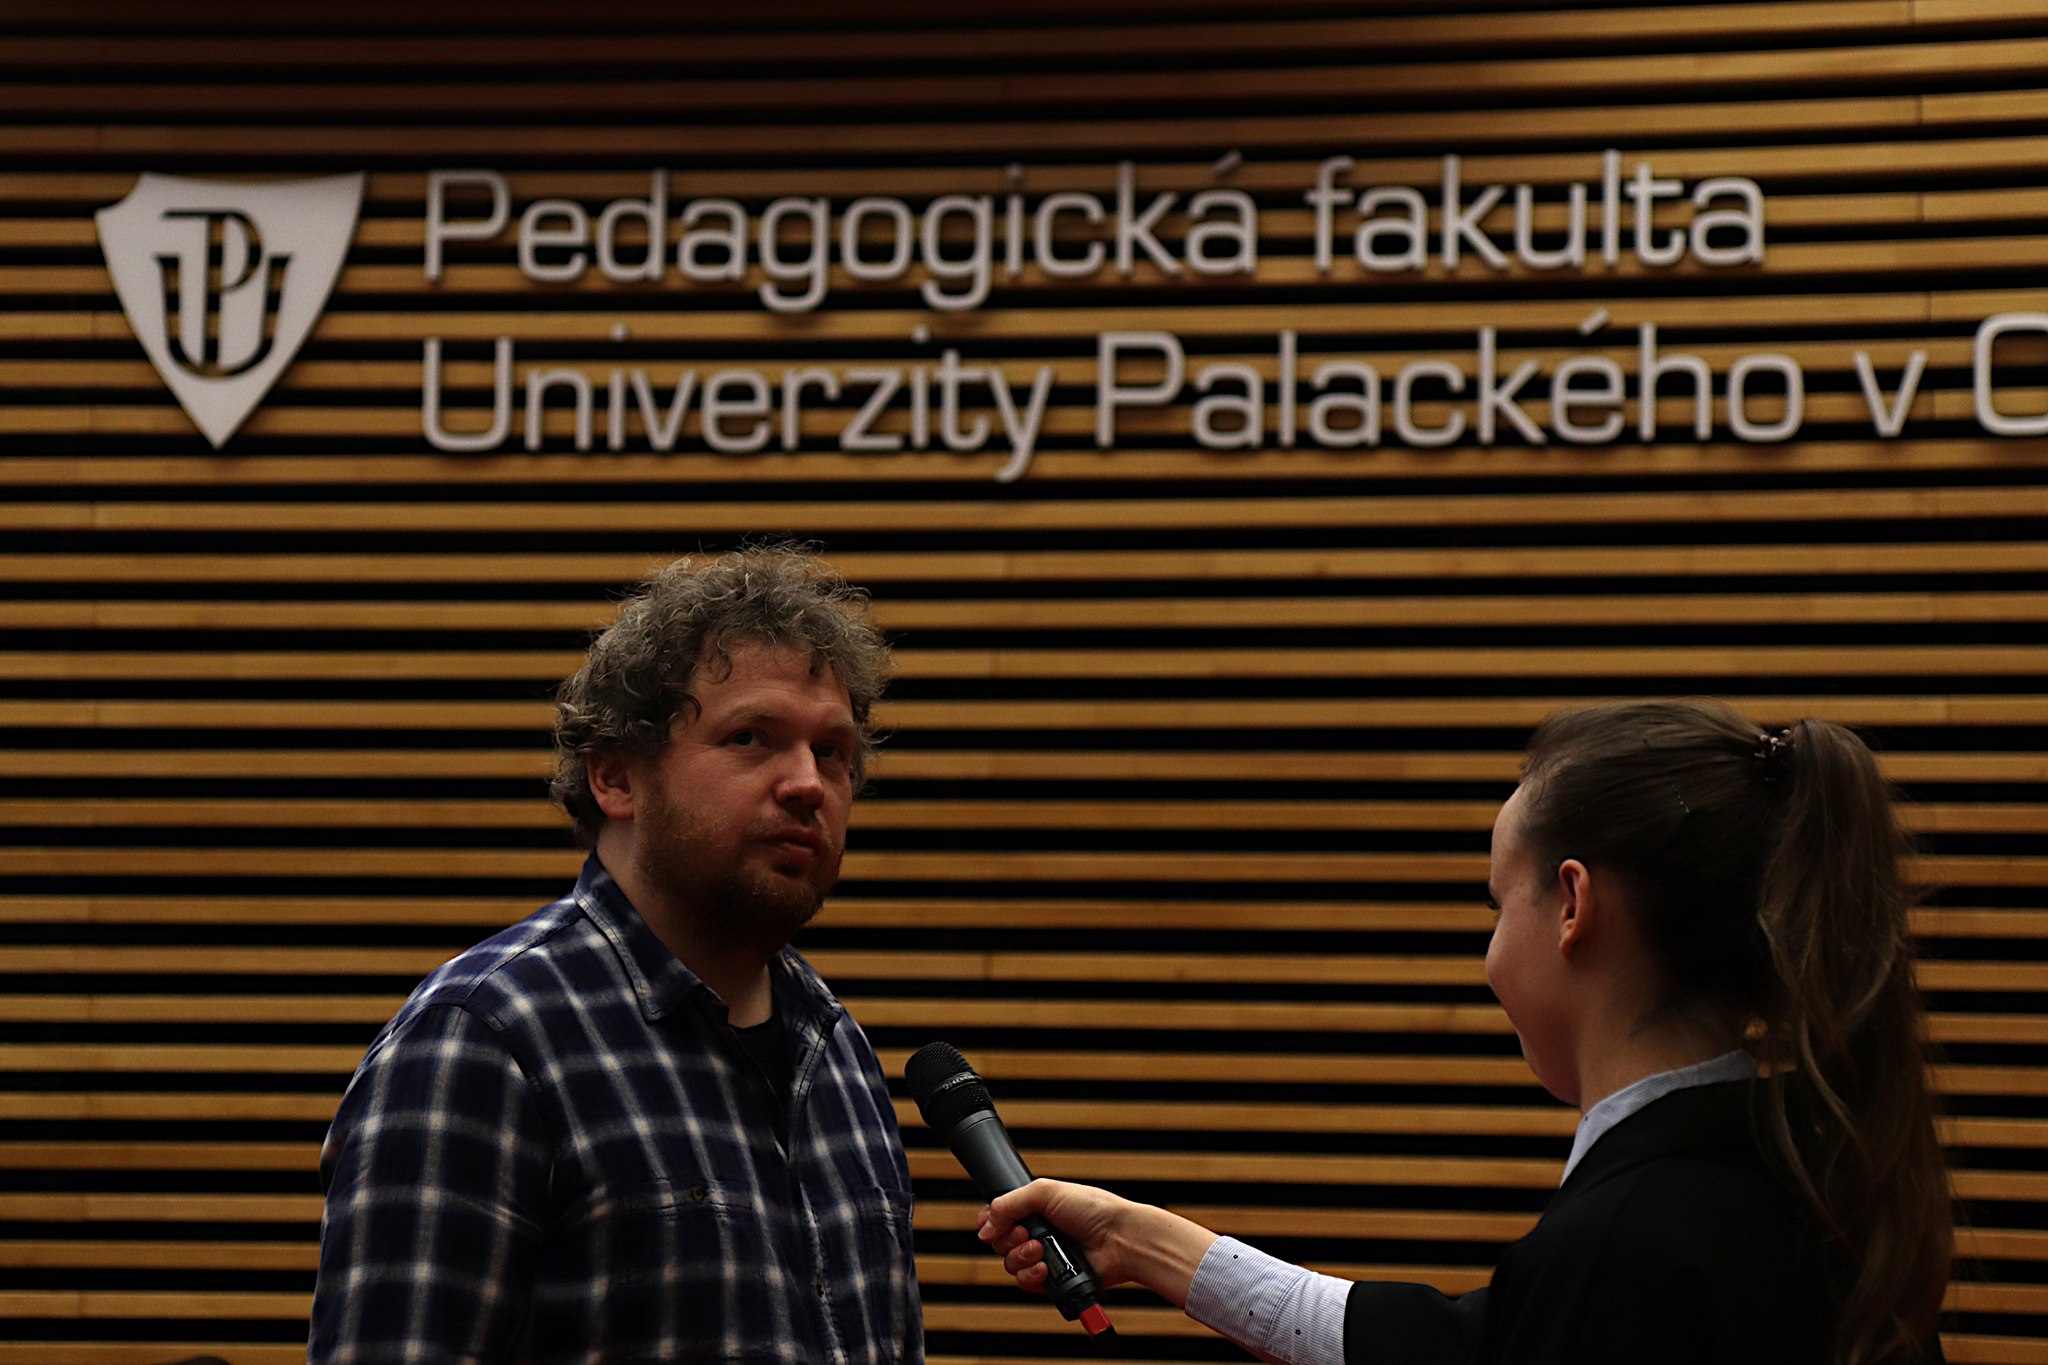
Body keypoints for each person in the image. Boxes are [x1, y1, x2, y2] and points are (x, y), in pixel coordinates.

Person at [978, 699, 1951, 1365]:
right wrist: (1149, 1244)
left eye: (1497, 903)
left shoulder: (1626, 1250)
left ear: (1571, 904)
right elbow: (1461, 1344)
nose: (1488, 956)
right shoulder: (1795, 1180)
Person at [311, 546, 922, 1364]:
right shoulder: (484, 1041)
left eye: (833, 751)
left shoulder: (838, 1049)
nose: (809, 783)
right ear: (615, 778)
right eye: (751, 737)